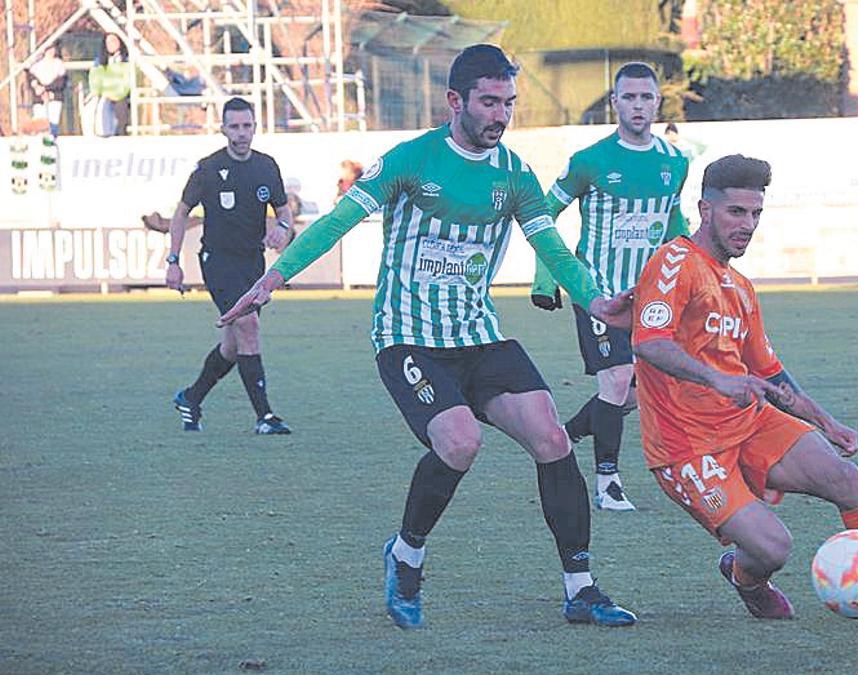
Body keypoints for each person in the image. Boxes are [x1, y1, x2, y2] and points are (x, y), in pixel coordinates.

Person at [215, 44, 637, 629]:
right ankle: (407, 553)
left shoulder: (514, 174)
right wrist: (272, 279)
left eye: (509, 103)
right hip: (408, 337)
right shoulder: (410, 160)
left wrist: (596, 302)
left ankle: (581, 589)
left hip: (479, 335)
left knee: (553, 438)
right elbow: (339, 219)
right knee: (461, 443)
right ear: (455, 101)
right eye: (490, 102)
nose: (501, 115)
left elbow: (554, 250)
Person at [630, 154, 858, 630]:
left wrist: (825, 421)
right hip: (686, 445)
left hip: (748, 422)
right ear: (705, 209)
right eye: (736, 213)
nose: (747, 225)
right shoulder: (674, 262)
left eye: (755, 215)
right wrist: (718, 379)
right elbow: (648, 342)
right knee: (772, 548)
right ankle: (746, 577)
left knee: (845, 479)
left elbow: (770, 373)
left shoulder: (741, 286)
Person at [529, 62, 689, 511]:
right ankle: (608, 483)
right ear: (614, 102)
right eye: (629, 97)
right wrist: (549, 278)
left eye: (646, 97)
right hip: (597, 293)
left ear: (658, 102)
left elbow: (675, 224)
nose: (638, 105)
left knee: (638, 391)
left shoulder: (676, 162)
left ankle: (569, 434)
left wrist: (694, 274)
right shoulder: (590, 161)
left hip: (648, 298)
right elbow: (543, 214)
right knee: (617, 378)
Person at [165, 97, 295, 435]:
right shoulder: (207, 169)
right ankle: (265, 417)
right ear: (223, 129)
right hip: (218, 262)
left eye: (247, 126)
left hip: (253, 262)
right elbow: (181, 214)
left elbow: (283, 212)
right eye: (234, 127)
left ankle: (191, 398)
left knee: (234, 345)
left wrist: (282, 230)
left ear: (255, 126)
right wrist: (173, 261)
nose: (241, 133)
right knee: (248, 326)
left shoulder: (267, 166)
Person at [87, 34, 131, 136]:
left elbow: (127, 79)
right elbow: (95, 78)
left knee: (121, 117)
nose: (111, 44)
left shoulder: (126, 60)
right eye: (109, 42)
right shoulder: (100, 61)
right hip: (105, 95)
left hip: (120, 95)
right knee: (102, 118)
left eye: (114, 41)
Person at [29, 44, 66, 136]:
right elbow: (31, 80)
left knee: (53, 124)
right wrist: (39, 89)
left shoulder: (59, 64)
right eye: (48, 49)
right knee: (40, 124)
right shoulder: (36, 65)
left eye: (53, 48)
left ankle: (51, 144)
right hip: (39, 99)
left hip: (54, 98)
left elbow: (61, 82)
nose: (51, 51)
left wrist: (46, 89)